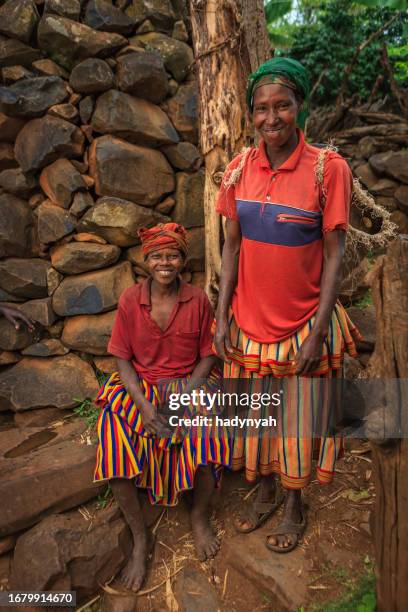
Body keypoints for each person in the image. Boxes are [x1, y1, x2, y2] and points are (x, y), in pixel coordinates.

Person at [214, 57, 361, 553]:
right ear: (250, 113)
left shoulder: (327, 168)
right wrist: (221, 316)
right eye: (261, 109)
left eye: (282, 106)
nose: (271, 118)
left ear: (300, 106)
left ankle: (295, 504)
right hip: (250, 321)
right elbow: (231, 247)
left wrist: (319, 332)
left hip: (302, 322)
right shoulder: (237, 170)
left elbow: (335, 252)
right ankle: (267, 487)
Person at [94, 222, 230, 591]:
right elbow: (122, 360)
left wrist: (185, 395)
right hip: (141, 386)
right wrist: (143, 407)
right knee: (114, 438)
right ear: (146, 261)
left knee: (206, 435)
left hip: (190, 382)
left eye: (172, 255)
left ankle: (199, 516)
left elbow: (209, 357)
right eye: (157, 256)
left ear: (183, 260)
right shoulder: (129, 301)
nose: (164, 262)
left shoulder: (198, 300)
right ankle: (141, 539)